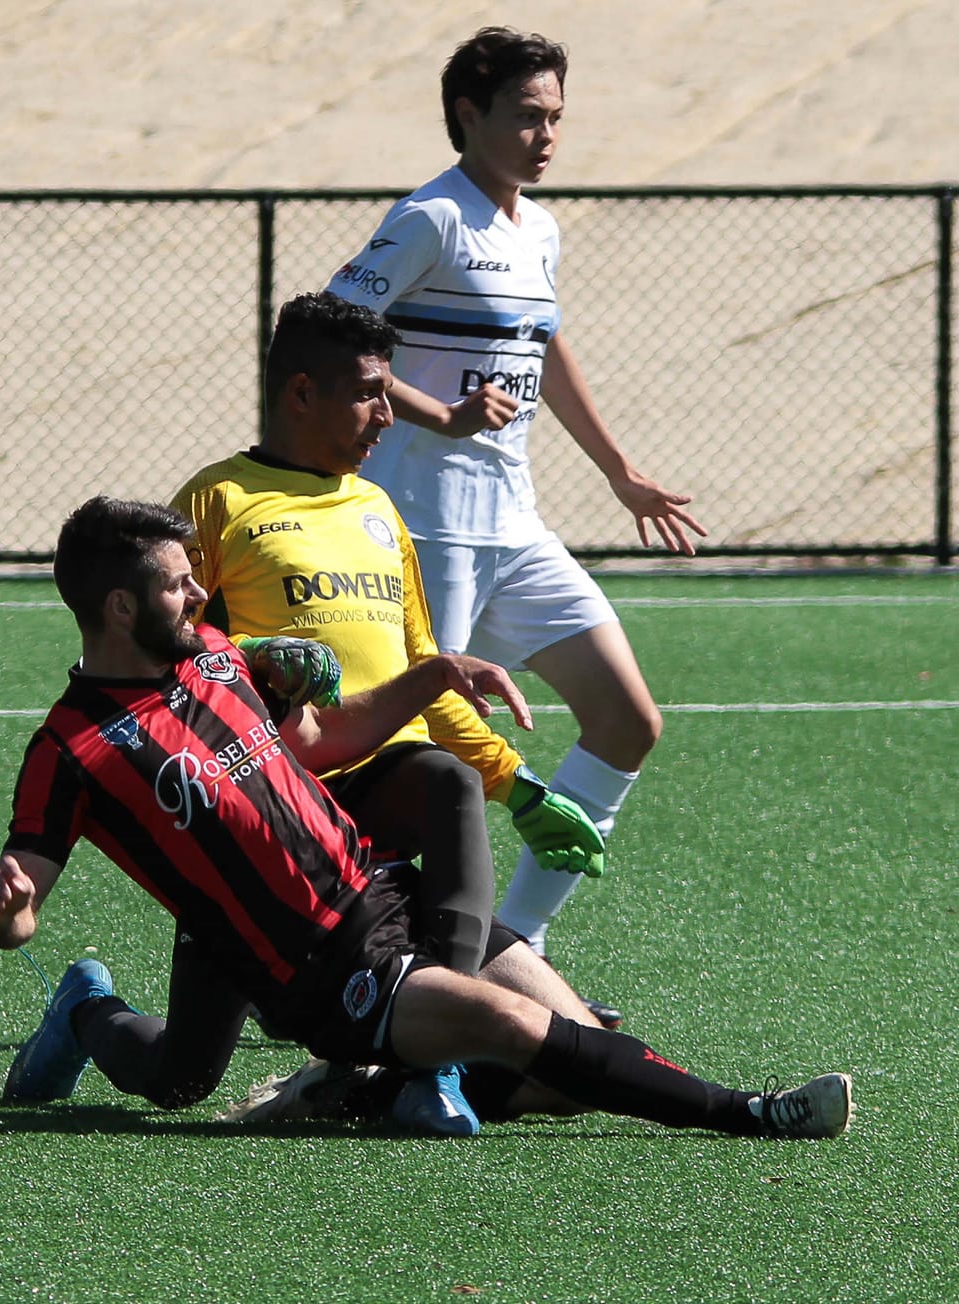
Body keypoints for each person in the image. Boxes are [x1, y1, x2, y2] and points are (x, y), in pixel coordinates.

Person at [0, 497, 851, 1140]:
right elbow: (22, 902)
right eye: (177, 584)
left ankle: (365, 1091)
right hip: (321, 970)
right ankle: (757, 1113)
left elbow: (317, 739)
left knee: (571, 1059)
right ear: (120, 608)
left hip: (387, 893)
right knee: (514, 1033)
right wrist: (8, 913)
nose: (199, 594)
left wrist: (431, 678)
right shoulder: (71, 749)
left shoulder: (212, 655)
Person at [325, 26, 707, 965]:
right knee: (415, 768)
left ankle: (515, 949)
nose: (547, 136)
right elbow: (333, 332)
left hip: (514, 528)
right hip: (420, 532)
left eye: (557, 118)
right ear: (469, 114)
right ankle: (310, 954)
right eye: (528, 116)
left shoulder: (536, 227)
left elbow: (543, 344)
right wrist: (437, 415)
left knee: (626, 721)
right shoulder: (431, 218)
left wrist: (619, 471)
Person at [171, 289, 619, 1027]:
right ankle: (87, 1012)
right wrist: (254, 653)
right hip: (274, 796)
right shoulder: (217, 499)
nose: (387, 415)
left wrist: (515, 784)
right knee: (181, 1074)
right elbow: (165, 649)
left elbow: (423, 675)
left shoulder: (378, 510)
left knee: (444, 782)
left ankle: (434, 1030)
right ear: (304, 393)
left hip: (383, 787)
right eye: (370, 396)